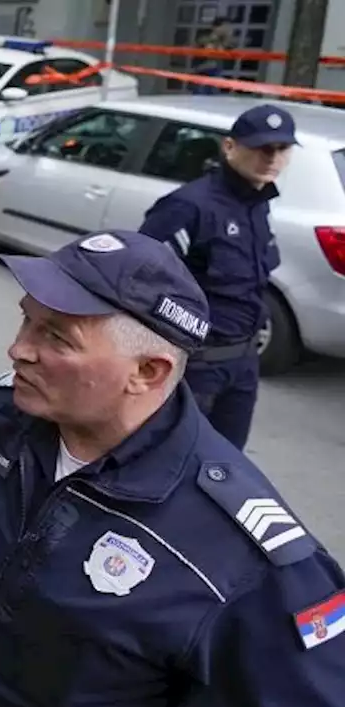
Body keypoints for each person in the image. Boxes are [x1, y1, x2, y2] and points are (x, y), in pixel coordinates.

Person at [0, 228, 345, 707]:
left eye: (55, 337)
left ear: (147, 372)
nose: (16, 350)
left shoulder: (246, 559)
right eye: (26, 321)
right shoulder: (10, 413)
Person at [138, 103, 294, 450]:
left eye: (282, 149)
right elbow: (143, 285)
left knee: (223, 468)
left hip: (242, 366)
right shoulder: (189, 206)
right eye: (262, 148)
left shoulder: (258, 203)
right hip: (195, 368)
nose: (272, 158)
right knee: (171, 464)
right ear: (230, 147)